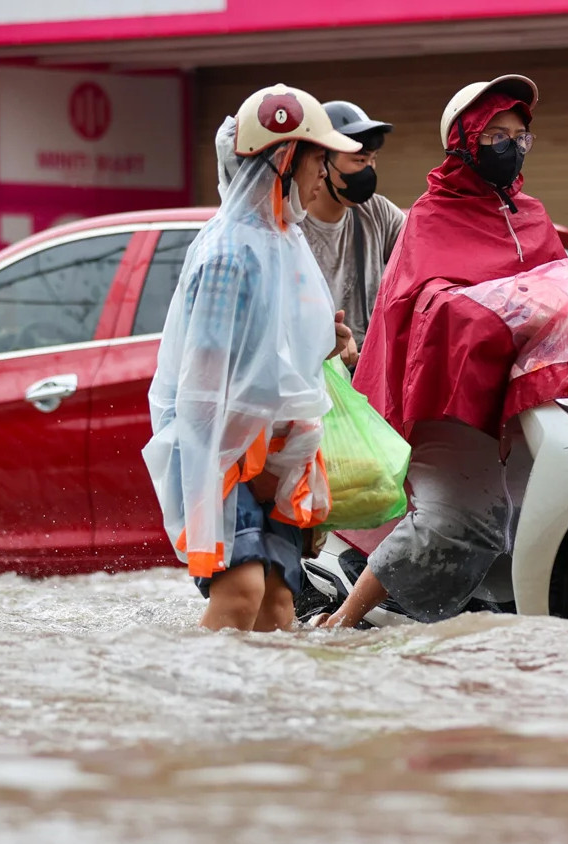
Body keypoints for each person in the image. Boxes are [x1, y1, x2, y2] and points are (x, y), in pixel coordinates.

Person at [316, 75, 568, 630]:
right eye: (495, 133)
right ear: (465, 140)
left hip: (522, 394)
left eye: (520, 134)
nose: (512, 144)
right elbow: (420, 304)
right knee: (458, 518)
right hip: (445, 395)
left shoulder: (531, 215)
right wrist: (470, 312)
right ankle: (341, 623)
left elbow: (557, 292)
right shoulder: (430, 219)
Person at [143, 84, 360, 633]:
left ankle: (270, 714)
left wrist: (325, 343)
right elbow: (206, 385)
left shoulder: (285, 242)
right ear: (285, 159)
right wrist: (249, 466)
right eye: (318, 159)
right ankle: (206, 708)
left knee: (279, 603)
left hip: (269, 454)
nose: (324, 174)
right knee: (241, 590)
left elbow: (281, 362)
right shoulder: (229, 252)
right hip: (224, 451)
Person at [299, 100, 405, 361]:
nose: (369, 170)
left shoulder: (378, 213)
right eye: (359, 159)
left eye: (372, 160)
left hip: (370, 370)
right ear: (322, 163)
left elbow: (419, 265)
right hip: (315, 373)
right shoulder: (292, 224)